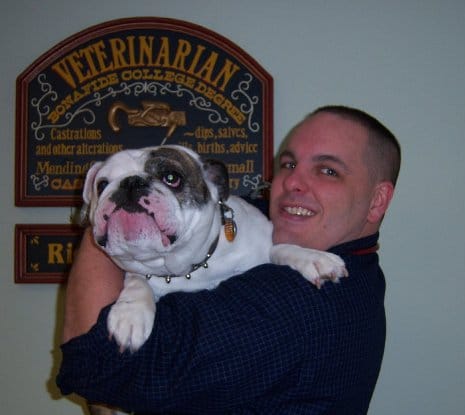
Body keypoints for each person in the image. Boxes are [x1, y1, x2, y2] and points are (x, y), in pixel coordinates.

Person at [57, 105, 401, 414]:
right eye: (288, 164)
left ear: (377, 200)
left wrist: (109, 215)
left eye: (328, 171)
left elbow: (99, 360)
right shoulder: (271, 226)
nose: (293, 181)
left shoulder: (306, 299)